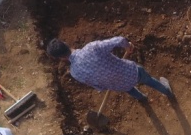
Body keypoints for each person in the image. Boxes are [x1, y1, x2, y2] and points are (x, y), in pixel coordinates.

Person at [46, 36, 175, 103]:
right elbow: (119, 40)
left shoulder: (74, 73)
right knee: (149, 81)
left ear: (61, 58)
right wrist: (128, 46)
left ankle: (142, 98)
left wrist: (107, 83)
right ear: (66, 44)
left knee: (129, 89)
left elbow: (97, 86)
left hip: (117, 85)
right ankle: (167, 91)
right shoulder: (91, 48)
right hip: (132, 72)